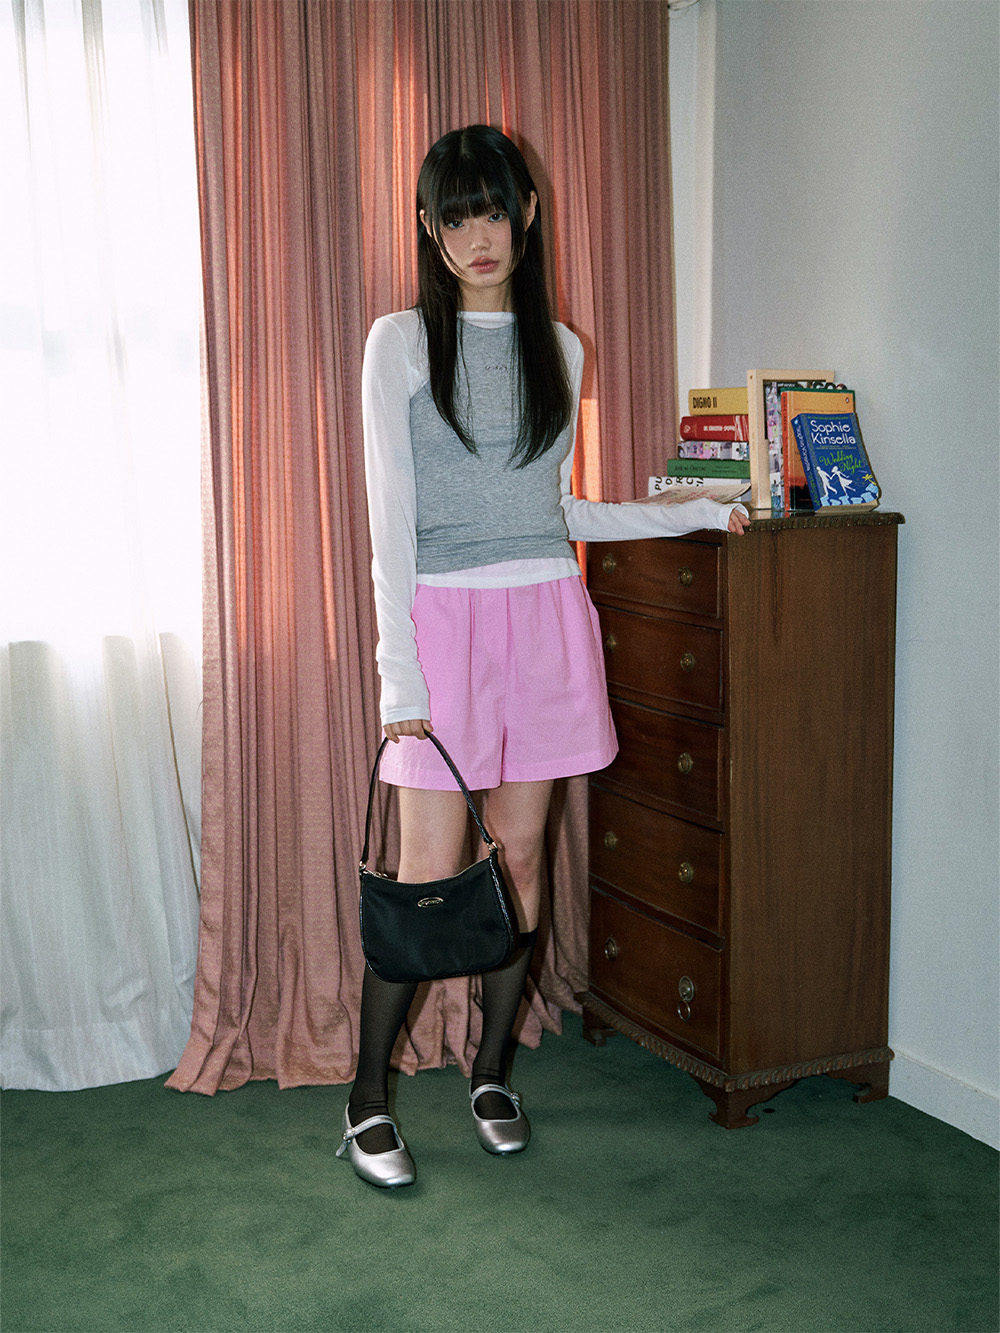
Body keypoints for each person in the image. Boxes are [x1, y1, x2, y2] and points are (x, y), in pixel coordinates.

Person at [341, 124, 749, 1189]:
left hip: (545, 619)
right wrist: (398, 672)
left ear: (527, 213)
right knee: (428, 877)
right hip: (443, 625)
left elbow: (555, 510)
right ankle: (367, 1097)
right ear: (428, 229)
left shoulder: (560, 347)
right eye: (455, 216)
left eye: (494, 210)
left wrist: (690, 510)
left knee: (519, 866)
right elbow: (389, 521)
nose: (478, 236)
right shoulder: (399, 343)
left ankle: (490, 1074)